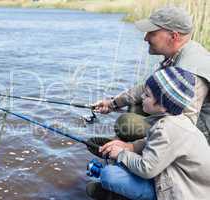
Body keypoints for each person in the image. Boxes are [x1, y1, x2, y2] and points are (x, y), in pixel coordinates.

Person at [86, 67, 210, 200]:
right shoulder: (177, 120)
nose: (142, 97)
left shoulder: (167, 129)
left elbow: (147, 169)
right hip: (185, 179)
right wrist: (130, 147)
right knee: (120, 167)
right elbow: (154, 143)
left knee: (108, 175)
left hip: (183, 192)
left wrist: (121, 154)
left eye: (147, 95)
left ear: (163, 105)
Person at [93, 6, 210, 143]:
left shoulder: (188, 70)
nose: (145, 38)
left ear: (174, 36)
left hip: (199, 134)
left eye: (152, 33)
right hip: (180, 123)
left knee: (125, 123)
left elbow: (183, 128)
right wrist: (112, 103)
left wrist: (132, 148)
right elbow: (147, 88)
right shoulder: (179, 54)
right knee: (137, 104)